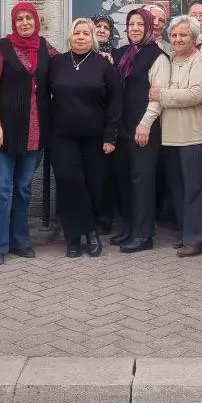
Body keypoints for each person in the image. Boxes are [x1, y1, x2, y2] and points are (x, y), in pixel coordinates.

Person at [0, 2, 56, 265]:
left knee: (23, 189)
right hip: (4, 131)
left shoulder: (46, 48)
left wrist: (100, 57)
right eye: (19, 19)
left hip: (35, 132)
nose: (25, 23)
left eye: (29, 18)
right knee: (2, 189)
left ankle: (20, 241)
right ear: (13, 23)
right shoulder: (1, 48)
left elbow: (68, 66)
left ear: (37, 21)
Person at [46, 17, 122, 257]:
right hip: (62, 136)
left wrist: (110, 136)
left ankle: (87, 231)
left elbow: (115, 102)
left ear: (93, 38)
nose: (80, 37)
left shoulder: (104, 65)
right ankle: (78, 235)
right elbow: (44, 97)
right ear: (70, 36)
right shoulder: (57, 63)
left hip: (95, 137)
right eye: (77, 33)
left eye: (86, 34)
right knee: (69, 182)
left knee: (93, 184)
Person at [142, 15, 202, 257]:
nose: (177, 39)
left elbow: (196, 94)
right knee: (179, 189)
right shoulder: (168, 59)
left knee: (197, 188)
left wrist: (162, 95)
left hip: (196, 135)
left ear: (193, 38)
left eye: (183, 35)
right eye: (173, 35)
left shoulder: (200, 60)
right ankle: (186, 233)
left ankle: (199, 239)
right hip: (171, 136)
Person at [113, 8, 168, 253]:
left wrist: (145, 124)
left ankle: (144, 235)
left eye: (140, 24)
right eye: (131, 24)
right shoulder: (124, 53)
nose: (135, 28)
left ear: (148, 28)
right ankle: (130, 228)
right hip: (123, 127)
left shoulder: (157, 56)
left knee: (142, 180)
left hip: (145, 127)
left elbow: (157, 96)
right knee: (125, 179)